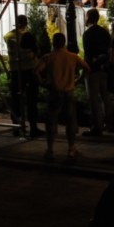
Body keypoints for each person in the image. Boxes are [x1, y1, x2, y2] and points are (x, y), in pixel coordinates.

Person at [38, 32, 90, 161]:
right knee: (70, 120)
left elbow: (36, 71)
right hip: (69, 91)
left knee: (51, 120)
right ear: (64, 43)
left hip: (54, 91)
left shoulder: (49, 57)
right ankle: (71, 149)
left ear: (53, 43)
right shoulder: (73, 57)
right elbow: (87, 68)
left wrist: (43, 83)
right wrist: (78, 81)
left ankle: (50, 150)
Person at [4, 14, 43, 137]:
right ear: (26, 23)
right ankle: (33, 128)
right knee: (32, 100)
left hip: (15, 71)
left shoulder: (8, 36)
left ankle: (16, 127)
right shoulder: (28, 36)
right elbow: (36, 51)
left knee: (16, 100)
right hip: (29, 70)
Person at [82, 8, 112, 137]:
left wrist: (86, 68)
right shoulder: (104, 32)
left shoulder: (88, 34)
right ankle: (109, 124)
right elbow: (109, 50)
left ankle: (97, 127)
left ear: (88, 18)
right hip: (104, 69)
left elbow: (88, 54)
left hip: (92, 70)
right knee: (105, 97)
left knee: (94, 99)